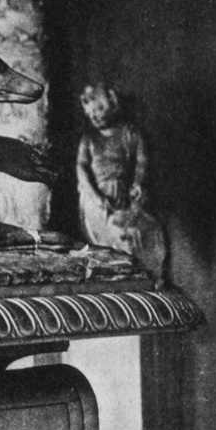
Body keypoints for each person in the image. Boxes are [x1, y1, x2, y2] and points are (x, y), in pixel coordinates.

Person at [77, 83, 165, 282]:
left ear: (112, 105)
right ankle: (115, 273)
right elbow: (81, 169)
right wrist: (96, 197)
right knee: (110, 233)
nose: (95, 117)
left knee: (142, 229)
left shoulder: (129, 133)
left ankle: (145, 274)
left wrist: (138, 182)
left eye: (99, 109)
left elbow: (142, 160)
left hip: (124, 193)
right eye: (90, 113)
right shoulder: (89, 140)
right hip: (97, 198)